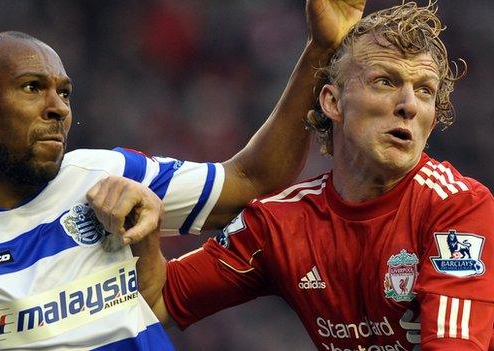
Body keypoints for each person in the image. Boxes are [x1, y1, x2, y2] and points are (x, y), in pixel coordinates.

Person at [0, 0, 365, 349]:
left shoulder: (105, 174)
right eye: (31, 88)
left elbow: (253, 183)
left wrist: (321, 49)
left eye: (64, 94)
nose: (57, 110)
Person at [136, 2, 494, 350]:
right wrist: (143, 222)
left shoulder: (459, 208)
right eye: (385, 81)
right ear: (332, 102)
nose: (409, 104)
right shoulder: (281, 224)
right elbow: (158, 300)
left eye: (424, 91)